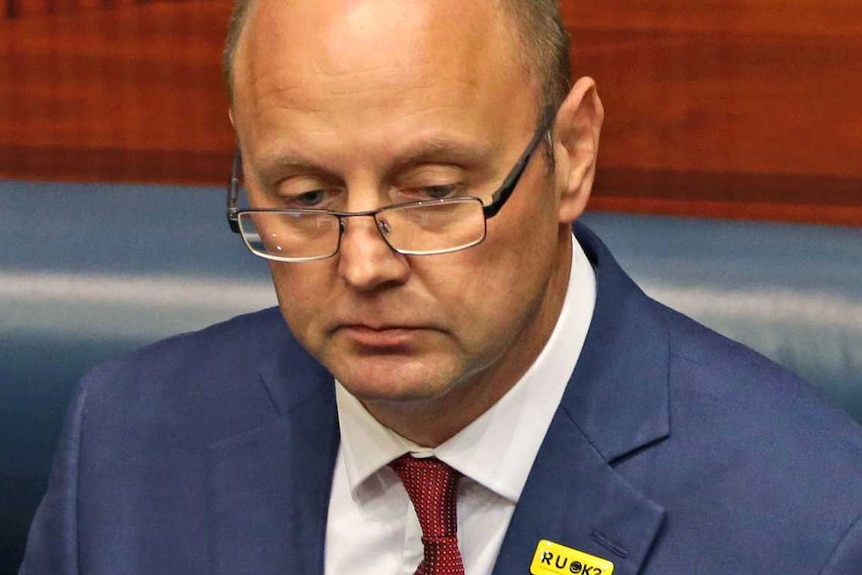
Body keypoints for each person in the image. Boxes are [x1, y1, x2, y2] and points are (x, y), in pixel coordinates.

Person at [19, 0, 862, 573]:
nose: (363, 265)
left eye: (431, 192)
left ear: (570, 155)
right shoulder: (124, 443)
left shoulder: (812, 521)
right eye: (306, 197)